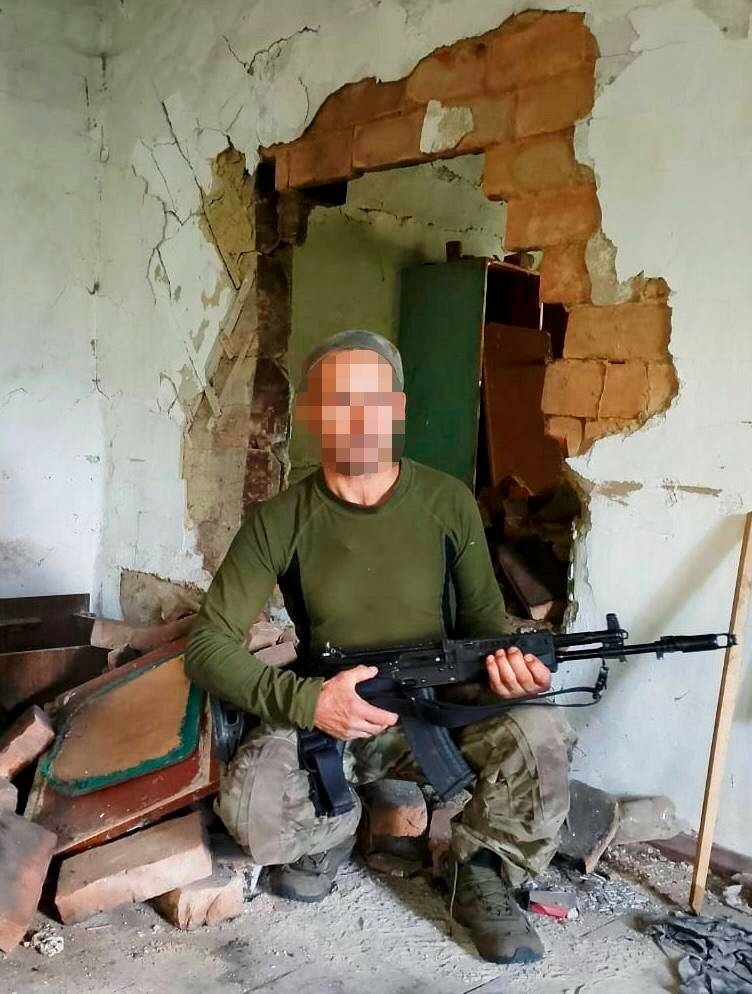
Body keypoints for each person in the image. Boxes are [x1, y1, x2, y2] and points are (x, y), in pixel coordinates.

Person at [185, 329, 574, 965]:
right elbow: (207, 646)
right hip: (332, 716)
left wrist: (511, 671)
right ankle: (334, 831)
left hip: (436, 712)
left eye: (372, 399)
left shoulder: (447, 502)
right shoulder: (279, 519)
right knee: (252, 802)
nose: (356, 419)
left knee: (542, 732)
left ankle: (481, 869)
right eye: (337, 401)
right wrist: (308, 703)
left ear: (397, 407)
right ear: (313, 414)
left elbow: (483, 630)